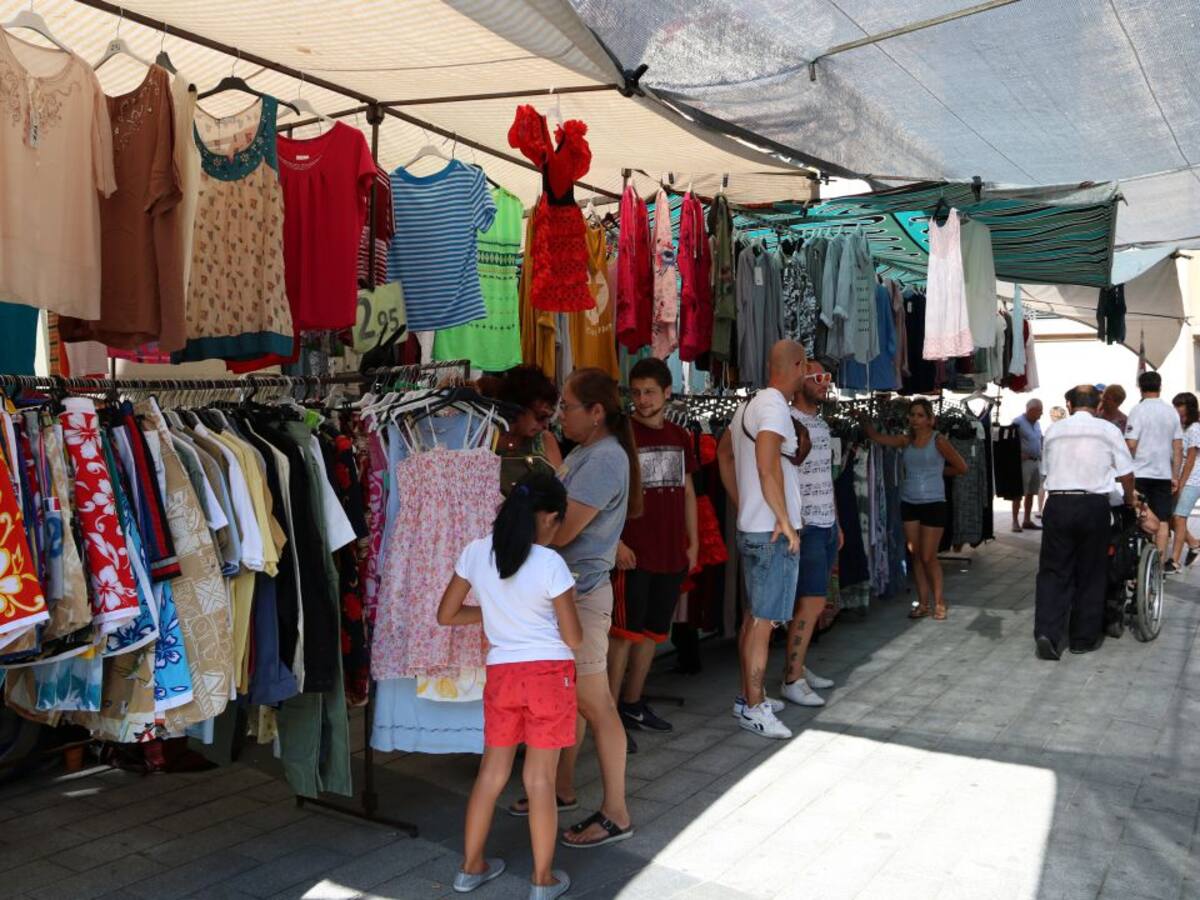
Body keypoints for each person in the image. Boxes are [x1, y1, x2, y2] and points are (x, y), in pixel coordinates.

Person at [437, 473, 581, 900]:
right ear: (551, 517)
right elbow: (573, 638)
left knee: (491, 774)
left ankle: (470, 868)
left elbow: (446, 614)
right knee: (540, 780)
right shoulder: (550, 562)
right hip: (549, 676)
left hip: (502, 674)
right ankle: (542, 881)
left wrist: (492, 618)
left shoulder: (476, 552)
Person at [527, 367, 642, 849]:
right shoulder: (590, 453)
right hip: (571, 594)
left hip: (582, 596)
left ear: (596, 413)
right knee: (576, 699)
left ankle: (616, 812)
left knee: (596, 704)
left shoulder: (603, 459)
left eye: (568, 407)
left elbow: (561, 531)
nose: (559, 416)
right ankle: (561, 789)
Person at [716, 340, 809, 740]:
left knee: (755, 618)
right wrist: (784, 520)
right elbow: (766, 463)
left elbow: (724, 455)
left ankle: (749, 697)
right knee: (763, 622)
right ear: (798, 365)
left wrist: (744, 503)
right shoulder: (773, 407)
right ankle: (754, 707)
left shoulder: (748, 406)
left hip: (754, 526)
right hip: (770, 532)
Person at [610, 358, 698, 747]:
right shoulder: (620, 435)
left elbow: (689, 491)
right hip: (633, 553)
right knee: (623, 635)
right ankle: (607, 714)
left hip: (670, 551)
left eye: (649, 392)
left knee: (652, 634)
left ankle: (632, 703)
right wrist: (616, 542)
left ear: (666, 393)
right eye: (636, 392)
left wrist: (693, 541)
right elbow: (607, 494)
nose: (642, 400)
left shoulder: (681, 436)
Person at [1035, 385, 1136, 660]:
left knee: (1053, 571)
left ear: (1069, 404)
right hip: (1093, 505)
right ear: (1098, 405)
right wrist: (1130, 499)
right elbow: (1126, 473)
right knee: (1091, 572)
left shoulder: (1054, 430)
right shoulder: (1108, 430)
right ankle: (1082, 638)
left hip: (1058, 503)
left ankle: (1047, 632)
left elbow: (1045, 472)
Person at [862, 399, 967, 621]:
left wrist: (937, 472)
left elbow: (962, 467)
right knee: (917, 555)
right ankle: (923, 603)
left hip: (934, 503)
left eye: (920, 415)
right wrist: (863, 421)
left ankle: (939, 602)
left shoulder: (939, 441)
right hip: (909, 502)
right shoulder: (906, 440)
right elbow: (879, 438)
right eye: (912, 415)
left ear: (930, 419)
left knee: (929, 556)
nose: (915, 419)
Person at [782, 361, 841, 709]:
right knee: (810, 602)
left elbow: (825, 478)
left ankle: (799, 667)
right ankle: (792, 678)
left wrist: (839, 523)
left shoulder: (819, 422)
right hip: (807, 525)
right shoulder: (788, 424)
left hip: (827, 523)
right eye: (818, 378)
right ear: (799, 380)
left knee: (813, 602)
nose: (825, 384)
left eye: (827, 378)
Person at [1126, 371, 1183, 558]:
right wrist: (1175, 475)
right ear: (1160, 386)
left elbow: (1131, 444)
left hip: (1139, 473)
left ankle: (1138, 563)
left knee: (1139, 516)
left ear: (1140, 388)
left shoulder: (1137, 410)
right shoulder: (1171, 412)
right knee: (1163, 520)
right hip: (1163, 474)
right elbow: (1177, 446)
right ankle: (1157, 567)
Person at [492, 365, 564, 495]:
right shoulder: (487, 438)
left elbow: (561, 492)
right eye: (540, 417)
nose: (545, 425)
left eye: (549, 417)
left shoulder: (544, 440)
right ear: (517, 407)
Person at [1168, 392, 1200, 572]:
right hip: (1179, 478)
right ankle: (1194, 544)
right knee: (1171, 518)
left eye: (1179, 405)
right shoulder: (1180, 427)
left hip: (1192, 479)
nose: (1176, 409)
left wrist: (1181, 482)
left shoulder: (1194, 428)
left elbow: (1190, 459)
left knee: (1179, 517)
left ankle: (1174, 560)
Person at [1009, 399, 1044, 532]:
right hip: (1024, 463)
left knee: (1031, 492)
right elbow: (1009, 442)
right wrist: (1018, 454)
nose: (1042, 414)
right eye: (1040, 411)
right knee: (1019, 493)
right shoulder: (1017, 422)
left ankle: (1027, 520)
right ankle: (1015, 522)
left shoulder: (1037, 424)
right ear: (1031, 410)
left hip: (1036, 462)